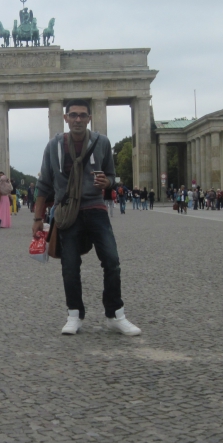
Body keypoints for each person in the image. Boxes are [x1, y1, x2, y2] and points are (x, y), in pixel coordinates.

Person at [33, 99, 141, 336]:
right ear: (66, 118)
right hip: (67, 211)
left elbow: (112, 175)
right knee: (70, 265)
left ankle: (115, 315)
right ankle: (74, 314)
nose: (78, 120)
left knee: (112, 261)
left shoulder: (102, 142)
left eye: (82, 115)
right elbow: (44, 184)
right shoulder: (54, 146)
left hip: (95, 208)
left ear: (89, 118)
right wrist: (37, 218)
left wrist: (109, 182)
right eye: (73, 115)